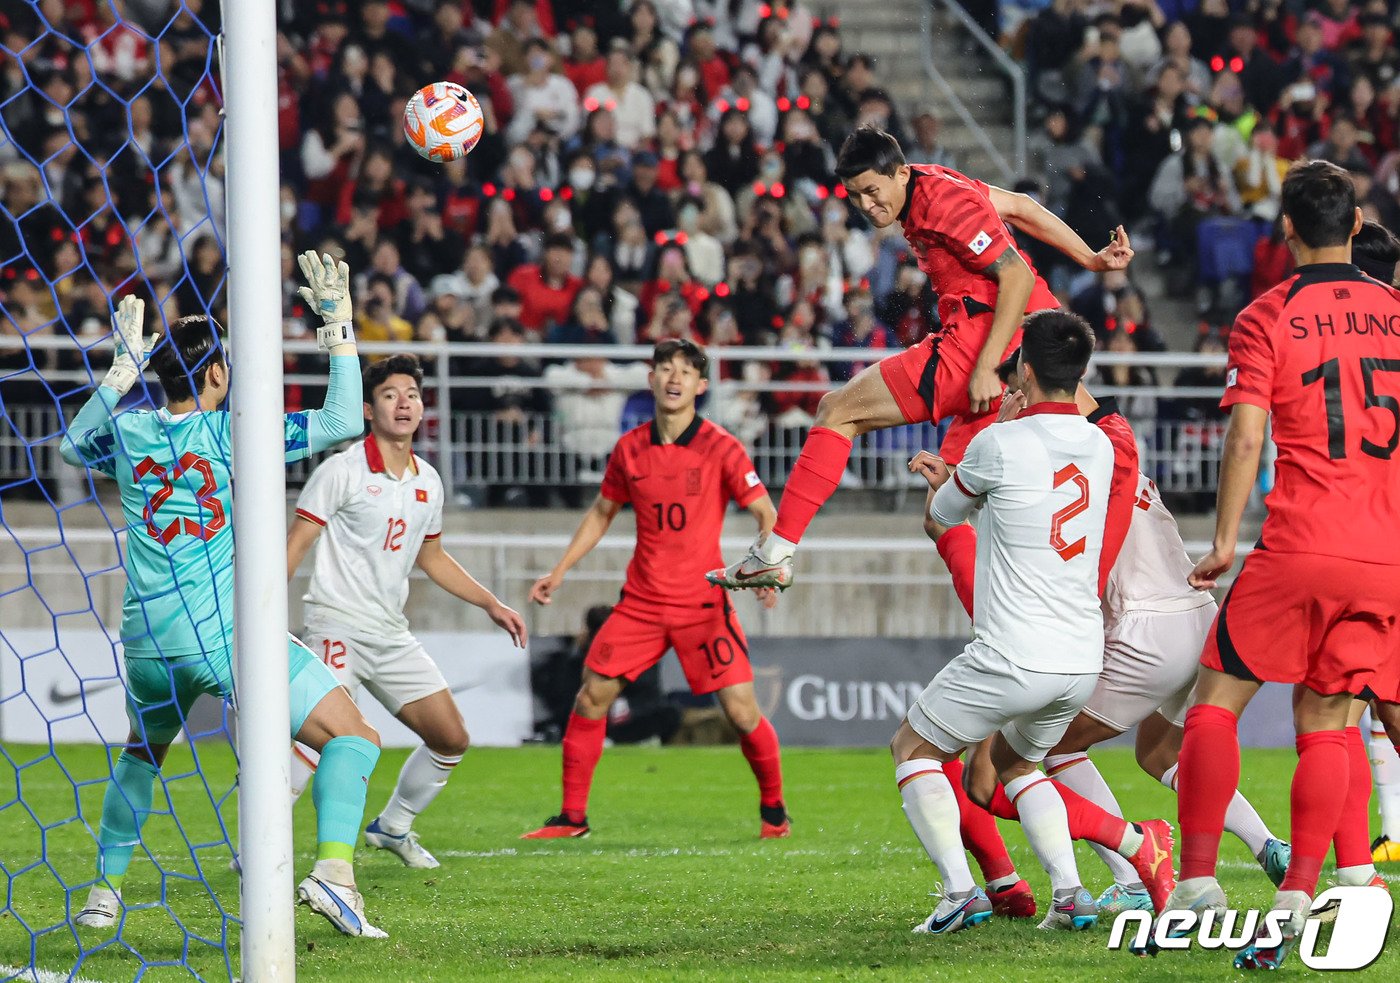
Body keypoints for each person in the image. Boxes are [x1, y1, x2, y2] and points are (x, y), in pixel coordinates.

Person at [63, 255, 390, 938]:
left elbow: (70, 445)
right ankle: (334, 872)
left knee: (141, 753)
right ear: (217, 374)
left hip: (148, 641)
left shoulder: (130, 432)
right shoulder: (235, 432)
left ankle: (104, 890)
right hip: (222, 640)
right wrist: (338, 327)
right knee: (355, 737)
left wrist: (119, 373)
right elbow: (340, 423)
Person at [938, 346, 1290, 917]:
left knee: (1032, 751)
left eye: (1015, 390)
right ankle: (1266, 843)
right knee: (1160, 754)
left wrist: (966, 481)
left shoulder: (1057, 457)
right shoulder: (1109, 446)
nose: (1008, 402)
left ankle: (1130, 874)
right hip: (1197, 615)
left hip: (1143, 629)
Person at [709, 126, 1134, 591]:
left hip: (989, 339)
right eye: (855, 197)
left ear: (901, 173)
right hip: (1020, 342)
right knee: (940, 516)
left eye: (872, 191)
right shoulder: (934, 183)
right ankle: (1000, 633)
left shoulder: (941, 203)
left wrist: (988, 367)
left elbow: (1012, 274)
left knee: (838, 410)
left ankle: (776, 551)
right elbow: (1019, 206)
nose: (867, 206)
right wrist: (1090, 258)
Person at [1173, 161, 1400, 970]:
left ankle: (1196, 884)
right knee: (1331, 720)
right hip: (1385, 557)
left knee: (1216, 700)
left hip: (1301, 541)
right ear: (1356, 219)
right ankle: (1306, 890)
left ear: (1287, 229)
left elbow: (1245, 434)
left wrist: (1227, 537)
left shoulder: (1266, 315)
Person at [890, 310, 1173, 934]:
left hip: (1014, 653)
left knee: (912, 749)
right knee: (1018, 767)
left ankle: (962, 891)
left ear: (1022, 369)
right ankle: (1071, 893)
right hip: (1080, 656)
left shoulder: (999, 441)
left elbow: (944, 513)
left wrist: (954, 475)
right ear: (1080, 374)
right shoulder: (1103, 444)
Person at [521, 339, 789, 839]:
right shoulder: (630, 448)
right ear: (651, 378)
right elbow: (602, 513)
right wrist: (560, 571)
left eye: (685, 371)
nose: (673, 377)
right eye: (665, 367)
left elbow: (764, 511)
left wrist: (767, 568)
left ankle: (774, 811)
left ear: (700, 386)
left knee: (740, 711)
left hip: (702, 603)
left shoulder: (721, 446)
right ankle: (572, 818)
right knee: (591, 697)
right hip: (642, 603)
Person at [284, 353, 527, 869]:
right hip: (336, 626)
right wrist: (259, 617)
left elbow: (431, 557)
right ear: (369, 410)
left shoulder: (429, 481)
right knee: (316, 742)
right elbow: (296, 545)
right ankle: (256, 850)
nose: (404, 404)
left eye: (412, 396)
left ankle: (393, 826)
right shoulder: (341, 471)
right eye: (391, 395)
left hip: (390, 634)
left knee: (451, 737)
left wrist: (491, 602)